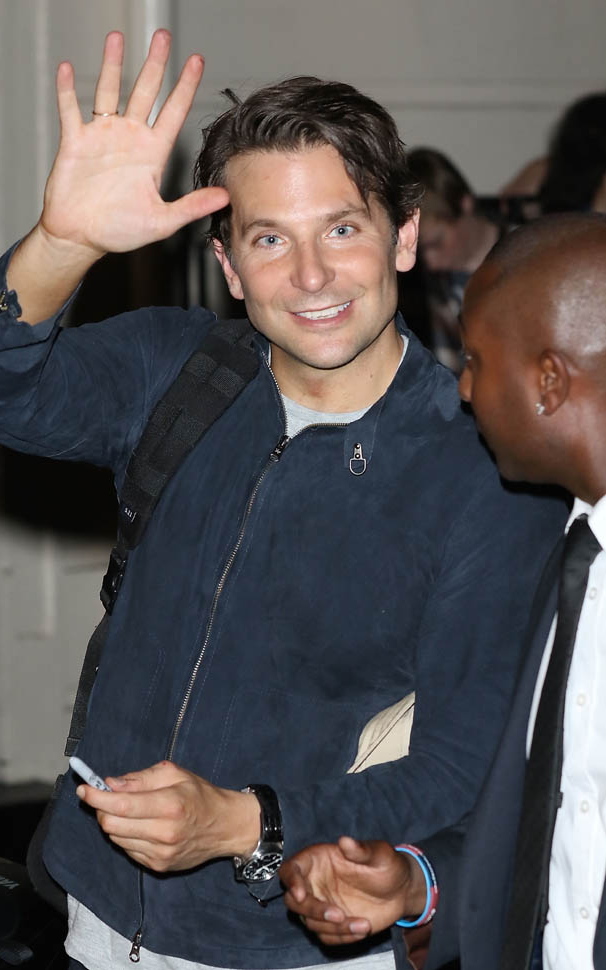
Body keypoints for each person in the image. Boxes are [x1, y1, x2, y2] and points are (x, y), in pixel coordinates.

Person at [0, 29, 567, 970]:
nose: (310, 277)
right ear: (229, 266)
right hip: (93, 913)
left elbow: (457, 776)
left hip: (290, 945)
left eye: (341, 229)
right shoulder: (181, 370)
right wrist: (64, 244)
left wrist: (242, 821)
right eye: (270, 239)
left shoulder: (483, 469)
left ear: (403, 236)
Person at [280, 211, 606, 970]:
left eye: (477, 360)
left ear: (548, 382)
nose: (462, 390)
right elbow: (561, 830)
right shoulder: (570, 562)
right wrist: (416, 885)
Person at [403, 148, 500, 372]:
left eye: (437, 243)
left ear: (465, 205)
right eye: (421, 250)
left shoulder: (526, 258)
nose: (431, 262)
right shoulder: (427, 283)